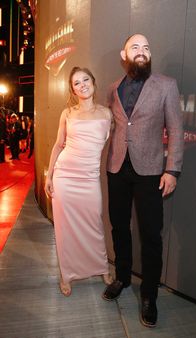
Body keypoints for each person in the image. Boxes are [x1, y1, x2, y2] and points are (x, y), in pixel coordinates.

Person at [102, 34, 184, 328]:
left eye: (147, 47)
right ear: (124, 55)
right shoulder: (113, 88)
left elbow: (175, 128)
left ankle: (149, 295)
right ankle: (122, 277)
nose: (142, 51)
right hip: (116, 168)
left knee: (151, 235)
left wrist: (172, 170)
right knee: (119, 227)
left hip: (150, 172)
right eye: (135, 47)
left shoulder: (166, 85)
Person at [44, 66, 113, 297]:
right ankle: (67, 274)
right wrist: (49, 175)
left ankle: (101, 267)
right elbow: (58, 145)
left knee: (94, 223)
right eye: (76, 83)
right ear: (72, 90)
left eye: (85, 80)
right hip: (65, 175)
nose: (82, 84)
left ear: (94, 82)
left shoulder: (107, 113)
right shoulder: (68, 113)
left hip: (89, 177)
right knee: (65, 229)